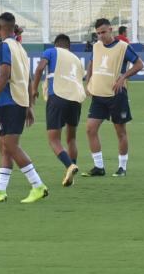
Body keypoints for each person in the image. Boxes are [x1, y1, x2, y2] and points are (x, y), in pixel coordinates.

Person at [0, 12, 49, 204]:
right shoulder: (19, 48)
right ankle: (0, 190)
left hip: (9, 102)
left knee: (10, 145)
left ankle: (37, 185)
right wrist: (29, 105)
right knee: (3, 145)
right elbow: (28, 78)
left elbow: (5, 74)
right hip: (18, 102)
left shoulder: (3, 47)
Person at [84, 17, 144, 177]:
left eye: (103, 32)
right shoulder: (97, 46)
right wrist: (88, 81)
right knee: (90, 129)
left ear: (111, 30)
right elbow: (91, 63)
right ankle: (99, 167)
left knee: (120, 132)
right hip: (98, 96)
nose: (101, 36)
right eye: (98, 33)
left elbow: (140, 64)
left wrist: (123, 78)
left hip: (116, 96)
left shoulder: (123, 47)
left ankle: (122, 167)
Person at [30, 33, 86, 187]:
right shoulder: (76, 59)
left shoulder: (52, 51)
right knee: (71, 138)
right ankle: (71, 172)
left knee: (54, 139)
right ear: (69, 46)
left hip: (58, 96)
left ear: (56, 44)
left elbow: (40, 68)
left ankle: (70, 165)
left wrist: (34, 89)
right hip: (76, 99)